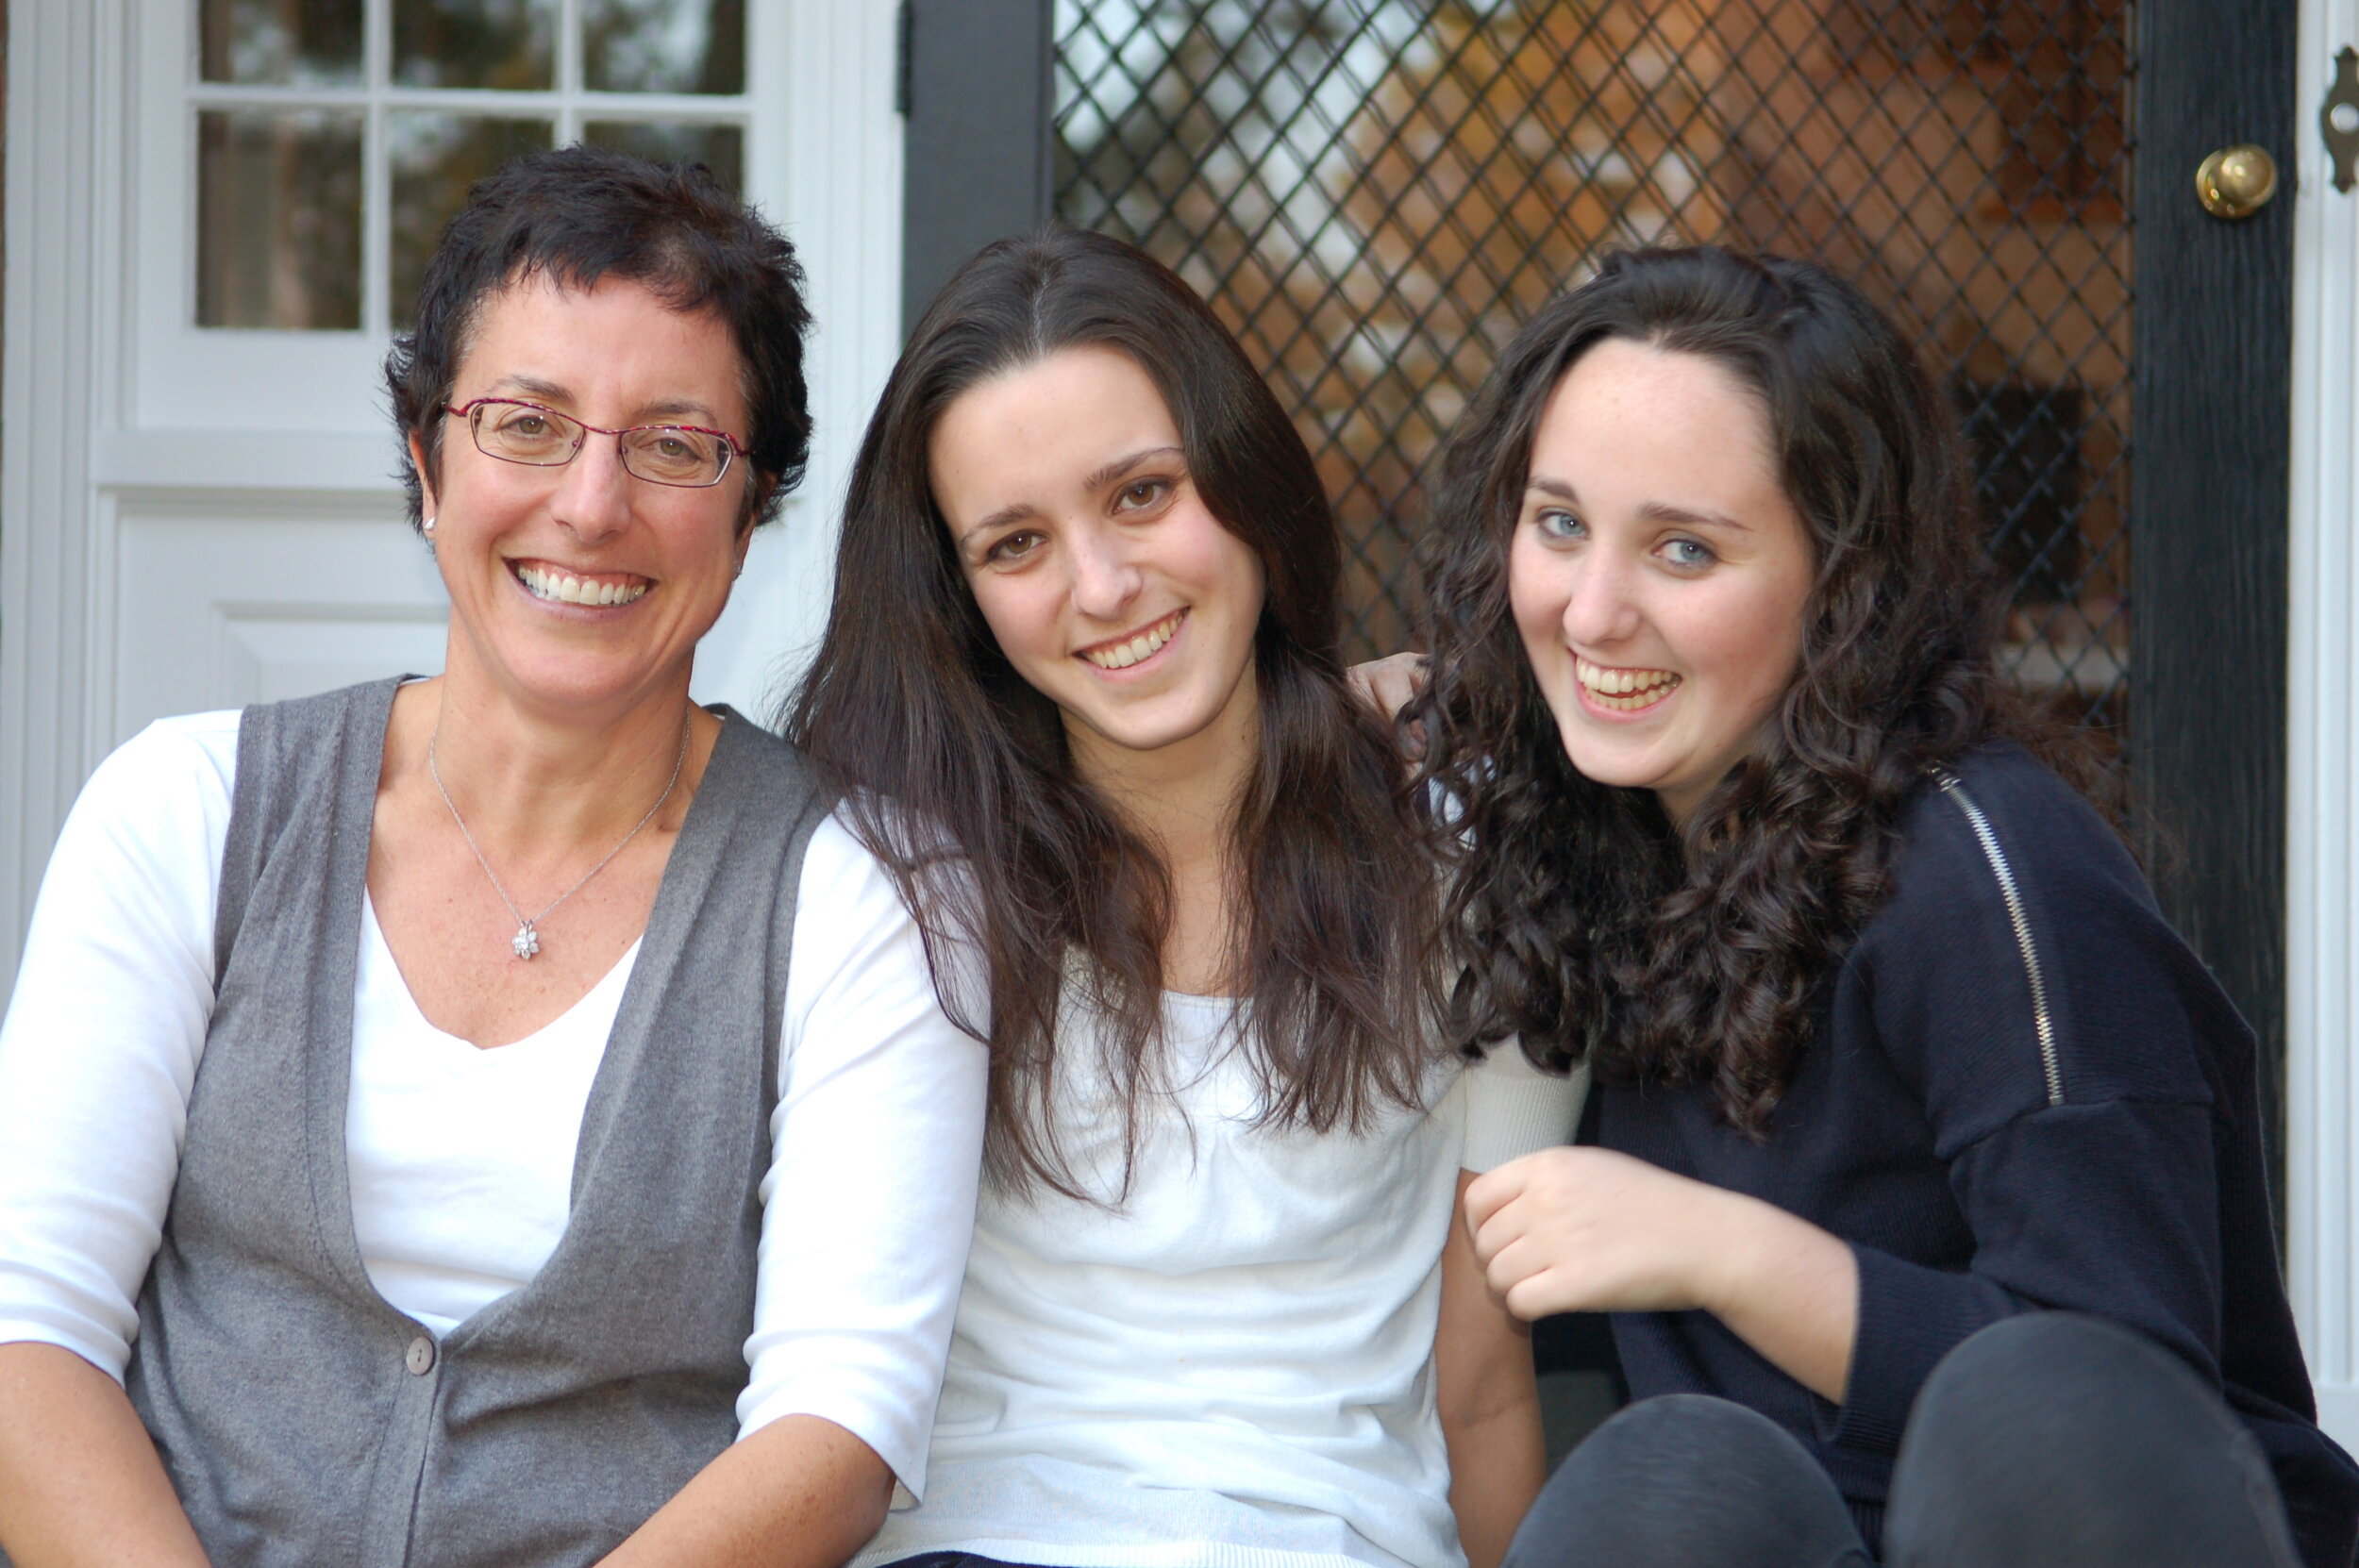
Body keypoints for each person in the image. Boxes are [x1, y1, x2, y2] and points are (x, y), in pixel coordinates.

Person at [0, 147, 987, 1568]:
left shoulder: (859, 895)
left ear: (750, 511)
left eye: (674, 445)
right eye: (526, 424)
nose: (591, 504)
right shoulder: (186, 810)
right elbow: (30, 1329)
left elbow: (834, 1436)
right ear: (427, 460)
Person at [1401, 243, 2359, 1567]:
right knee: (1665, 1477)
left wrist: (1720, 1250)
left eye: (1685, 548)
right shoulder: (1586, 836)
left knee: (2020, 1406)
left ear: (1842, 585)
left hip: (2083, 1528)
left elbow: (2105, 1403)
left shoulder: (1988, 870)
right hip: (1795, 1531)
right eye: (1559, 524)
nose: (1594, 611)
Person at [784, 227, 1582, 1568]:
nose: (1102, 587)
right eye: (1017, 543)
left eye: (1144, 493)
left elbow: (1486, 1386)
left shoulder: (1468, 853)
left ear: (1246, 477)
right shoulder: (903, 880)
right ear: (960, 597)